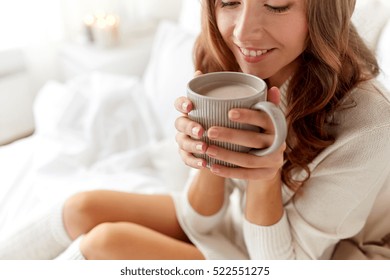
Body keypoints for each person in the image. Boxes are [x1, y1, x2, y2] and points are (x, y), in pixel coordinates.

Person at [1, 0, 389, 260]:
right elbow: (200, 218)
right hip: (231, 228)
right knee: (80, 207)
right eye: (229, 1)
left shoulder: (370, 123)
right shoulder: (229, 63)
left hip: (278, 256)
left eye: (275, 3)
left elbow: (279, 265)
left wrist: (263, 176)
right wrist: (206, 159)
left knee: (106, 242)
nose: (243, 32)